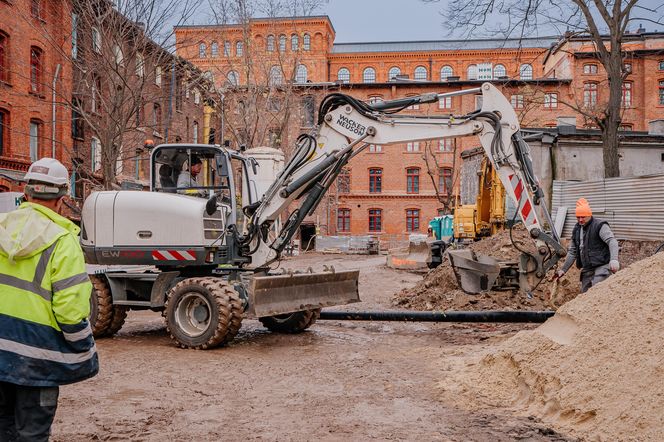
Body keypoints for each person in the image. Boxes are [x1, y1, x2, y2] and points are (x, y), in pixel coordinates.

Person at [0, 158, 98, 441]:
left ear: (25, 193)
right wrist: (83, 348)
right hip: (37, 362)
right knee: (32, 434)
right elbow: (71, 310)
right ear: (61, 199)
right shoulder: (62, 241)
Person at [555, 197, 620, 293]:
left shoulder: (599, 225)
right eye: (578, 217)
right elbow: (572, 252)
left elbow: (612, 241)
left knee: (597, 290)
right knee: (584, 295)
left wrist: (614, 259)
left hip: (602, 266)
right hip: (587, 269)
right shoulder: (577, 229)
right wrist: (563, 270)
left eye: (583, 217)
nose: (580, 220)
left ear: (589, 215)